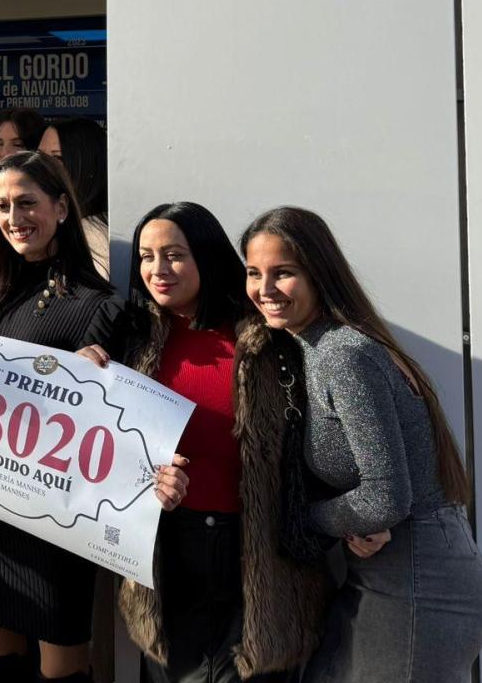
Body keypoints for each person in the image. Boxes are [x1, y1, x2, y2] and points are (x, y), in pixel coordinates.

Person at [0, 152, 182, 683]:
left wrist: (94, 380)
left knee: (61, 669)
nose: (13, 217)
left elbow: (124, 421)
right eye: (2, 206)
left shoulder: (101, 308)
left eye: (27, 202)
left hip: (58, 523)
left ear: (63, 208)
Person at [77, 203, 331, 683]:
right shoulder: (130, 335)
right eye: (147, 256)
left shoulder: (267, 334)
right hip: (170, 557)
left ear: (207, 257)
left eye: (174, 255)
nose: (157, 269)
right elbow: (96, 447)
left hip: (259, 559)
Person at [239, 207, 482, 683]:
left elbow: (383, 499)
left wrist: (298, 521)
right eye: (254, 273)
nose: (265, 289)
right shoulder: (310, 346)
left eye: (283, 273)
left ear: (320, 273)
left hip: (420, 581)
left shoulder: (344, 355)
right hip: (381, 575)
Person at [37, 118, 108, 276]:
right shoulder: (59, 224)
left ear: (86, 164)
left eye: (57, 159)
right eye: (39, 157)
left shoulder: (92, 237)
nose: (42, 166)